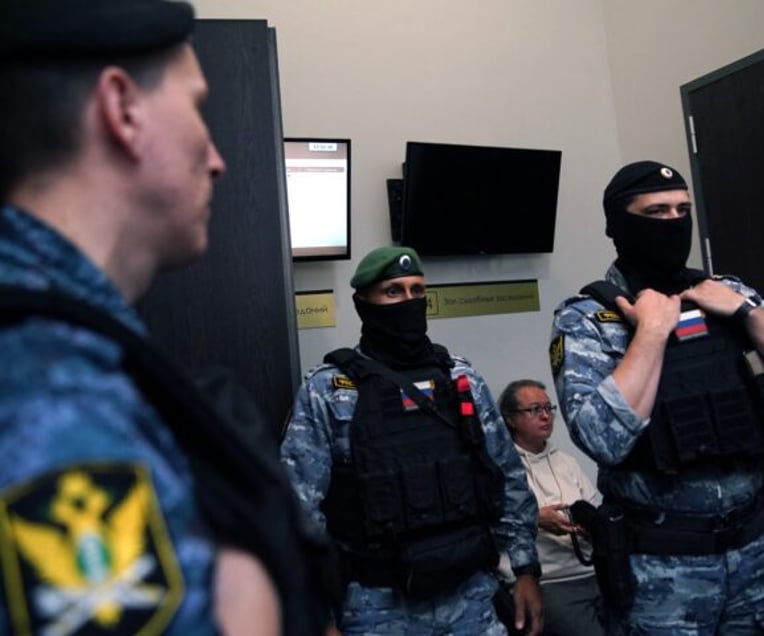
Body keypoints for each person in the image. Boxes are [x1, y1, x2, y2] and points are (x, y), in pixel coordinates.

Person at [0, 2, 335, 634]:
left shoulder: (75, 343)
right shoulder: (52, 391)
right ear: (122, 108)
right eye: (196, 108)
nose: (216, 159)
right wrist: (254, 584)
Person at [548, 160, 764, 634]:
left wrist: (746, 313)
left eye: (682, 210)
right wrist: (651, 332)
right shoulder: (587, 319)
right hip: (663, 573)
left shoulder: (728, 294)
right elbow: (602, 439)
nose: (673, 223)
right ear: (618, 224)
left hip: (759, 556)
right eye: (656, 211)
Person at [281, 245, 545, 635]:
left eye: (417, 291)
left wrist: (525, 570)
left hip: (470, 598)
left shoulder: (462, 381)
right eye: (393, 291)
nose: (408, 301)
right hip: (377, 607)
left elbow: (507, 479)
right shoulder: (330, 391)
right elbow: (297, 511)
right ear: (363, 304)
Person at [498, 379, 605, 636]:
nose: (546, 416)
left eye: (549, 408)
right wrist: (534, 518)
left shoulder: (566, 461)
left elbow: (594, 508)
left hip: (594, 572)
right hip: (546, 581)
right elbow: (487, 523)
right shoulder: (498, 468)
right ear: (511, 419)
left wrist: (591, 525)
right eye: (535, 409)